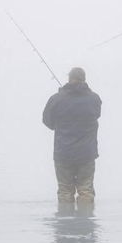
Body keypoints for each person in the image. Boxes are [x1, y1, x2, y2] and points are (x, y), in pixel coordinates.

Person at [43, 67, 102, 205]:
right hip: (87, 153)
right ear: (84, 79)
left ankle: (66, 222)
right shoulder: (94, 99)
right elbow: (97, 114)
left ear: (69, 79)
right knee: (86, 190)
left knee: (64, 191)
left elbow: (47, 121)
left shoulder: (56, 99)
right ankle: (85, 222)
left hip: (63, 153)